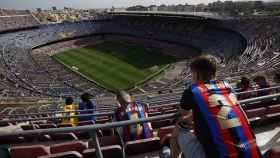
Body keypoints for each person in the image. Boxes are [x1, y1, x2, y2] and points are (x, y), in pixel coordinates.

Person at [174, 55, 262, 158]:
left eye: (192, 73)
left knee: (179, 130)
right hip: (252, 153)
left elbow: (184, 116)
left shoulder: (192, 91)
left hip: (221, 154)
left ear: (197, 74)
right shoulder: (228, 86)